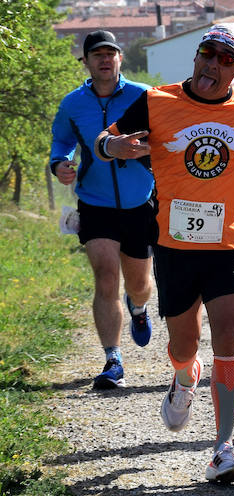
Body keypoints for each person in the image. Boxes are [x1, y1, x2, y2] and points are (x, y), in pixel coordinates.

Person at [96, 23, 234, 482]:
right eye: (208, 53)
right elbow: (105, 140)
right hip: (174, 246)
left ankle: (223, 449)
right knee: (183, 345)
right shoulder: (157, 101)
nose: (214, 63)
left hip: (228, 244)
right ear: (196, 56)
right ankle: (183, 375)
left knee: (229, 340)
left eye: (227, 59)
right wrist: (112, 144)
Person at [50, 30, 158, 390]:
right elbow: (62, 141)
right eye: (97, 55)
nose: (105, 59)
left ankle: (138, 308)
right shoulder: (72, 103)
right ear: (86, 62)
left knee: (140, 285)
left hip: (139, 201)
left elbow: (164, 137)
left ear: (120, 59)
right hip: (94, 203)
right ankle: (113, 358)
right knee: (106, 276)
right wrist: (60, 163)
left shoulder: (142, 95)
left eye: (110, 53)